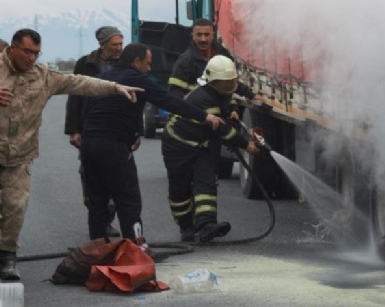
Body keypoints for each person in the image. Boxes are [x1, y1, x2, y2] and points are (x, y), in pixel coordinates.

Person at [0, 28, 144, 280]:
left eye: (36, 53)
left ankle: (7, 256)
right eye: (26, 52)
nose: (31, 58)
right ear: (12, 48)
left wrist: (114, 87)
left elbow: (80, 83)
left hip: (19, 156)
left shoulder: (43, 76)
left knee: (15, 207)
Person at [80, 43, 222, 256]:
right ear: (136, 62)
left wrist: (135, 132)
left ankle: (97, 250)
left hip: (89, 144)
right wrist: (204, 116)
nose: (149, 69)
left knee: (98, 199)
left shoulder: (105, 77)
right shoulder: (138, 79)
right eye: (147, 64)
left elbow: (99, 109)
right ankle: (135, 248)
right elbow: (169, 101)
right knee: (128, 198)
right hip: (113, 146)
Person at [162, 55, 260, 243]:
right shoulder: (203, 98)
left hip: (202, 146)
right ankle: (186, 227)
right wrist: (246, 144)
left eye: (230, 82)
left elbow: (233, 91)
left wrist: (235, 106)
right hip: (178, 145)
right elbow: (223, 129)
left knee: (206, 183)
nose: (228, 87)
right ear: (211, 81)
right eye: (223, 84)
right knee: (179, 189)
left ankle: (206, 225)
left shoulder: (221, 87)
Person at [64, 26, 125, 237]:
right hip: (89, 129)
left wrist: (136, 131)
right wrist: (73, 130)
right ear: (102, 45)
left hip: (117, 130)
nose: (118, 49)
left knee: (117, 176)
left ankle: (107, 218)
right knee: (90, 176)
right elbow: (75, 97)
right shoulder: (86, 64)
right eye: (114, 45)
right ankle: (98, 217)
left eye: (120, 44)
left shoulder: (126, 63)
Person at [167, 18, 265, 103]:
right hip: (197, 113)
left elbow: (229, 82)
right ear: (193, 35)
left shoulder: (223, 54)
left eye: (206, 34)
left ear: (213, 35)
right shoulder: (185, 61)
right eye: (199, 35)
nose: (203, 39)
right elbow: (174, 92)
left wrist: (251, 95)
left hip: (220, 113)